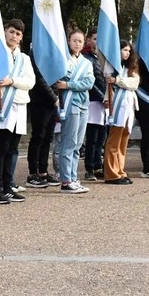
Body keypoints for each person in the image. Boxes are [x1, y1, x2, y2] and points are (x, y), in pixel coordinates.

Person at [0, 19, 36, 203]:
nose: (14, 36)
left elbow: (30, 82)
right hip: (4, 105)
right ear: (5, 32)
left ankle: (8, 185)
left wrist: (13, 81)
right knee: (0, 148)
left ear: (21, 37)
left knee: (13, 149)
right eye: (11, 32)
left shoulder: (24, 58)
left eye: (18, 33)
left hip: (20, 106)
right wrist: (8, 81)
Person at [56, 28, 95, 193]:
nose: (77, 44)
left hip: (84, 105)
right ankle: (65, 180)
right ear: (69, 41)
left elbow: (89, 83)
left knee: (78, 144)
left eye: (80, 41)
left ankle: (73, 177)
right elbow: (60, 81)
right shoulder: (63, 60)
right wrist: (69, 84)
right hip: (70, 104)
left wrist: (70, 84)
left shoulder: (87, 62)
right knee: (68, 143)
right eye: (74, 41)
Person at [103, 40, 139, 184]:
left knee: (123, 141)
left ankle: (120, 170)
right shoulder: (112, 67)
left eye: (129, 51)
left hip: (128, 107)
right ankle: (111, 173)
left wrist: (118, 80)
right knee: (114, 140)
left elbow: (134, 83)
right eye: (124, 50)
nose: (127, 53)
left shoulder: (131, 68)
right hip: (116, 107)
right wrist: (119, 80)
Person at [25, 51, 61, 188]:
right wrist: (54, 97)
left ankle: (43, 171)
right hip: (40, 100)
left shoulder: (54, 49)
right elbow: (39, 78)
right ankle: (33, 172)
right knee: (38, 136)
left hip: (53, 101)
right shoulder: (36, 52)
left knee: (48, 138)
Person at [81, 29, 107, 181]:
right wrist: (102, 97)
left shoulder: (104, 59)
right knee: (92, 137)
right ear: (89, 40)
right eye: (95, 38)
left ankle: (98, 165)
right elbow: (91, 82)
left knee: (101, 137)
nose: (98, 42)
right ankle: (89, 167)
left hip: (105, 103)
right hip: (93, 102)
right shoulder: (86, 59)